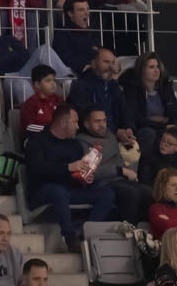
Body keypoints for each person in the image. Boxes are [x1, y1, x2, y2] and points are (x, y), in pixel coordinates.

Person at [25, 105, 116, 251]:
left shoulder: (74, 145)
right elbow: (37, 169)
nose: (78, 126)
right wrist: (68, 167)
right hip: (42, 191)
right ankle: (70, 237)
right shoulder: (37, 142)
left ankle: (87, 234)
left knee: (107, 193)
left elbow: (76, 174)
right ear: (63, 123)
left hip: (70, 190)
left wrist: (85, 177)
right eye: (75, 122)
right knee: (58, 191)